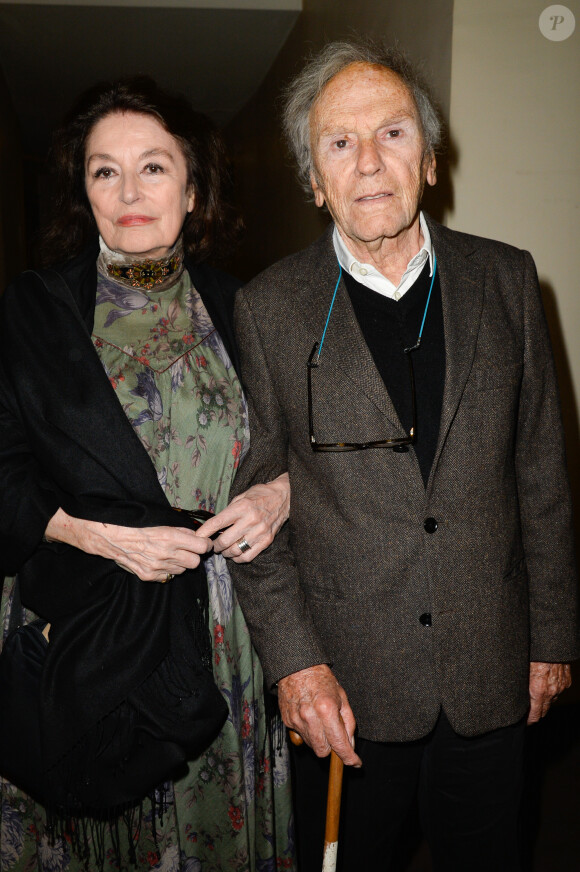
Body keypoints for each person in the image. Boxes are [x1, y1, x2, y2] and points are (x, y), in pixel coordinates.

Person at [229, 41, 580, 871]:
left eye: (392, 133)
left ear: (428, 158)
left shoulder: (507, 280)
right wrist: (298, 665)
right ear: (315, 181)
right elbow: (254, 514)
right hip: (346, 696)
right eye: (338, 144)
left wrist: (554, 638)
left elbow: (542, 476)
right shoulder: (269, 308)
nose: (369, 163)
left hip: (490, 671)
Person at [0, 77, 294, 872]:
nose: (129, 191)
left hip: (227, 631)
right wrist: (90, 533)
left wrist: (280, 492)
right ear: (82, 190)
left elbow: (314, 443)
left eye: (154, 168)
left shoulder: (251, 309)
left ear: (193, 189)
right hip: (90, 624)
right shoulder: (30, 311)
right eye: (104, 171)